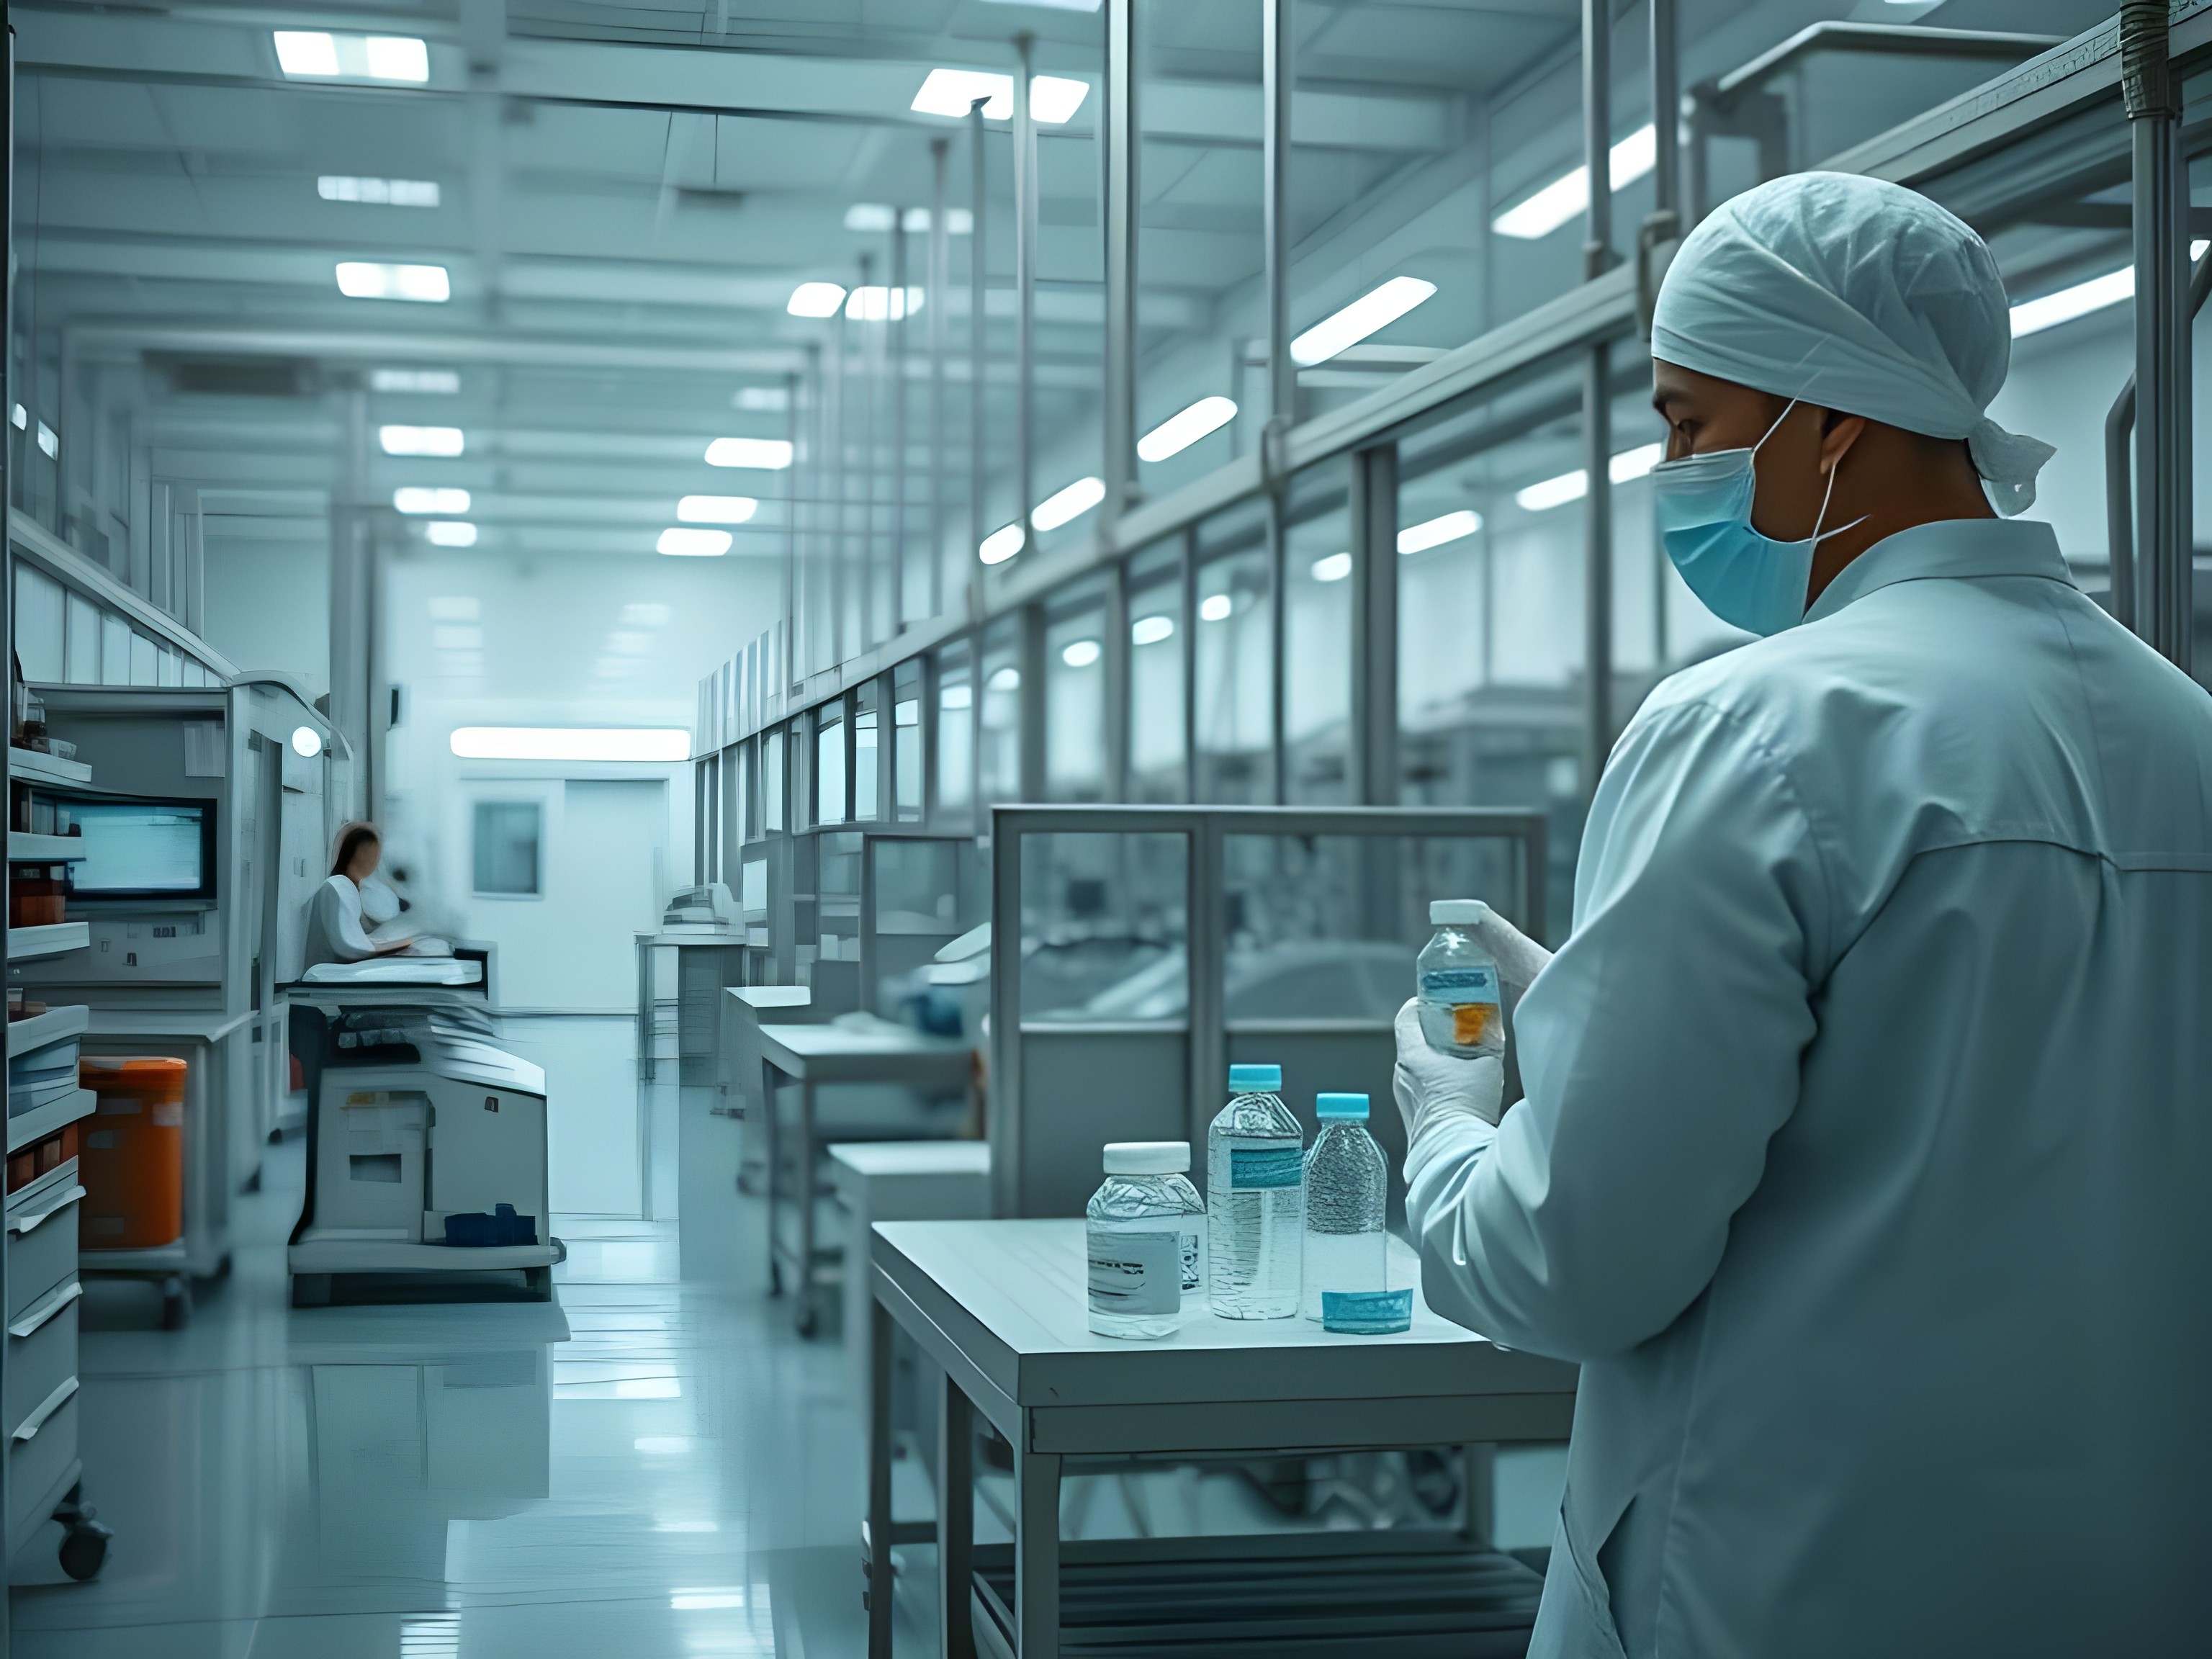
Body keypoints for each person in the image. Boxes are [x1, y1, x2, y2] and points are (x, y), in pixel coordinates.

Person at [1394, 171, 2212, 1658]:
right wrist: (1610, 1016)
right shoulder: (2187, 733)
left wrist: (1453, 1126)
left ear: (1832, 421)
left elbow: (1572, 1261)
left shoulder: (1757, 730)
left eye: (1690, 422)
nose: (1675, 471)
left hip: (1788, 1583)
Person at [302, 822, 415, 969]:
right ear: (350, 853)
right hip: (330, 976)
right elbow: (349, 947)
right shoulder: (339, 887)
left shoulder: (352, 888)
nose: (372, 860)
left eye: (375, 854)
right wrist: (394, 947)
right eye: (366, 852)